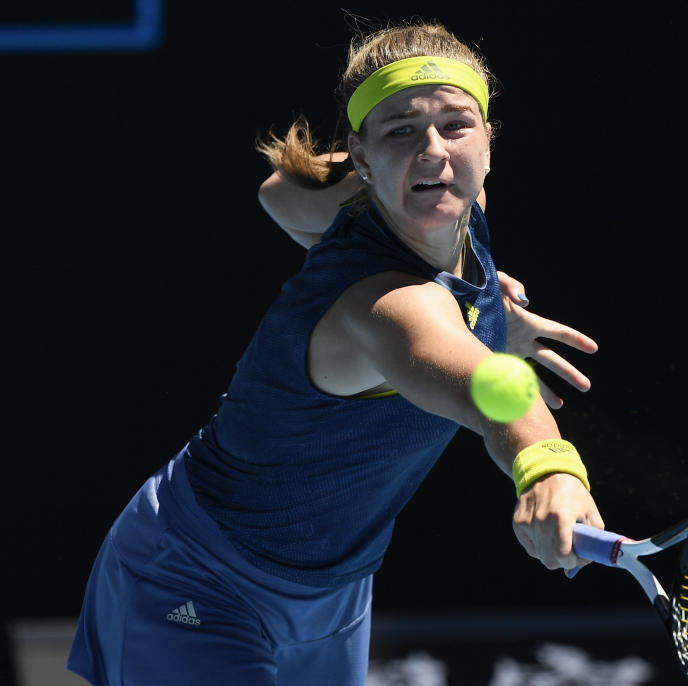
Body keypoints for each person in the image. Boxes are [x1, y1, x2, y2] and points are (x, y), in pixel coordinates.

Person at [68, 20, 604, 686]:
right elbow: (491, 386)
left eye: (456, 124)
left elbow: (278, 194)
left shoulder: (444, 206)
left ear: (490, 137)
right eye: (401, 129)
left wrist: (485, 309)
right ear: (362, 151)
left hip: (333, 592)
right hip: (194, 574)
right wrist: (548, 467)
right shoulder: (390, 309)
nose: (435, 151)